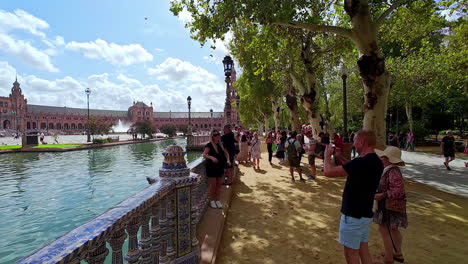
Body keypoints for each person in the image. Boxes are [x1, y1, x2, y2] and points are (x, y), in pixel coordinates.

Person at [323, 130, 383, 264]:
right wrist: (339, 157)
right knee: (364, 250)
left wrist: (326, 156)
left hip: (353, 216)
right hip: (365, 214)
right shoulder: (376, 161)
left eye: (355, 140)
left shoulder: (360, 163)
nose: (353, 144)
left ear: (362, 142)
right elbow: (353, 169)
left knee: (351, 256)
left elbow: (328, 172)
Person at [374, 146, 408, 264]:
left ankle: (388, 258)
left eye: (384, 156)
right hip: (390, 205)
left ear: (389, 159)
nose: (382, 158)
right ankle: (397, 253)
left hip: (388, 206)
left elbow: (398, 191)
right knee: (392, 229)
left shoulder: (392, 171)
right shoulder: (390, 169)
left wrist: (382, 195)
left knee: (385, 230)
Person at [203, 130, 230, 209]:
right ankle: (212, 201)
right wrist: (211, 157)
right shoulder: (209, 145)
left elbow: (226, 153)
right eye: (215, 135)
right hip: (211, 167)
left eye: (218, 134)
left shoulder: (221, 144)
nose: (217, 136)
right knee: (213, 185)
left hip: (220, 167)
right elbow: (204, 154)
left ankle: (217, 200)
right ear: (212, 136)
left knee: (219, 185)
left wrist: (228, 160)